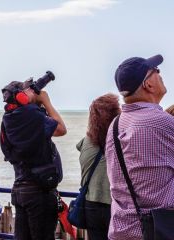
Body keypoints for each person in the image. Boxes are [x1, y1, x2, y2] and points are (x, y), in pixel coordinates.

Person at [105, 54, 174, 239]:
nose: (160, 74)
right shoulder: (164, 122)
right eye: (156, 71)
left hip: (123, 229)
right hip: (160, 230)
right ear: (148, 85)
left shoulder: (116, 124)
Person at [0, 80, 67, 240]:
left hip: (20, 189)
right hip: (39, 191)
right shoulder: (32, 116)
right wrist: (46, 102)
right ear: (22, 96)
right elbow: (61, 129)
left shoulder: (8, 118)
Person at [77, 93, 120, 240]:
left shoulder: (86, 140)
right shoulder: (120, 137)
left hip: (90, 204)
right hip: (114, 204)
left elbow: (79, 146)